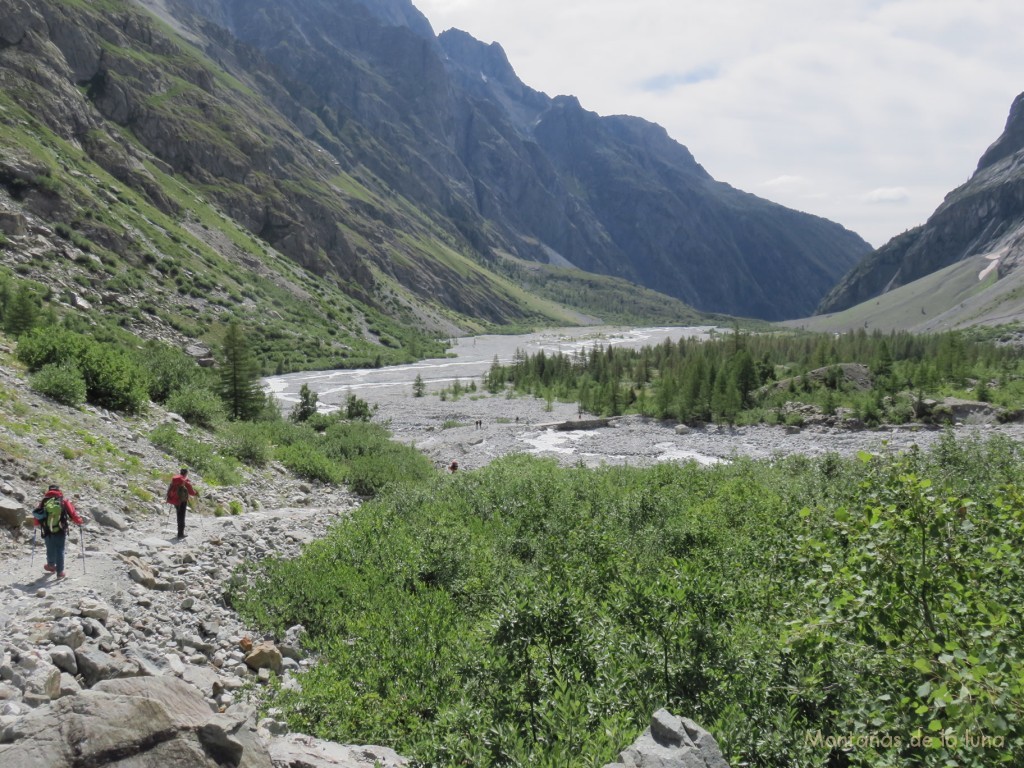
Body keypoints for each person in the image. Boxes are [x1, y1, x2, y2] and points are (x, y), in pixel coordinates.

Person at [31, 484, 83, 579]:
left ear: (49, 490)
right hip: (60, 529)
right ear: (59, 490)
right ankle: (60, 572)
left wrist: (35, 524)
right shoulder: (63, 501)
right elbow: (72, 513)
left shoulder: (44, 501)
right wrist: (79, 521)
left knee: (50, 548)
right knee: (60, 549)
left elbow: (37, 515)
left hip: (47, 529)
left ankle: (51, 566)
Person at [165, 468, 198, 539]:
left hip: (175, 500)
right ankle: (180, 534)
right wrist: (196, 493)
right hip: (182, 501)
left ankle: (179, 532)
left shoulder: (175, 480)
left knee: (178, 515)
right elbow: (192, 492)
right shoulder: (185, 481)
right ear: (186, 473)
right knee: (182, 516)